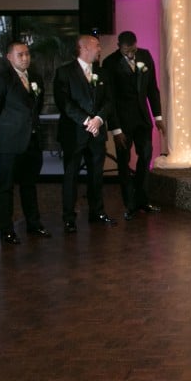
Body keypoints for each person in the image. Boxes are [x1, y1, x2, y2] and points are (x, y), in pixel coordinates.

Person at [0, 41, 50, 244]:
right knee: (6, 187)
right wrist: (2, 134)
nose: (25, 58)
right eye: (20, 54)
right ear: (9, 57)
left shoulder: (36, 78)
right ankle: (6, 229)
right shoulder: (1, 78)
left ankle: (33, 224)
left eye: (27, 54)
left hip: (32, 141)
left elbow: (36, 107)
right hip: (9, 142)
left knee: (29, 185)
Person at [54, 34, 117, 233]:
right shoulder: (64, 72)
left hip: (96, 132)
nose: (100, 49)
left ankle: (97, 212)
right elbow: (64, 102)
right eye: (97, 46)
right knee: (71, 175)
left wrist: (98, 119)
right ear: (84, 48)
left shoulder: (102, 73)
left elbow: (109, 100)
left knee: (96, 175)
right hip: (74, 133)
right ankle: (69, 217)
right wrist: (86, 120)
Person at [103, 30, 165, 221]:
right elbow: (109, 98)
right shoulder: (110, 63)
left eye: (133, 49)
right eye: (127, 50)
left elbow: (152, 89)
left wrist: (158, 116)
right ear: (119, 47)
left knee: (145, 155)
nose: (131, 53)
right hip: (122, 122)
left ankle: (143, 199)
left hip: (142, 118)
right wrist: (116, 128)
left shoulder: (145, 56)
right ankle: (129, 204)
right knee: (123, 161)